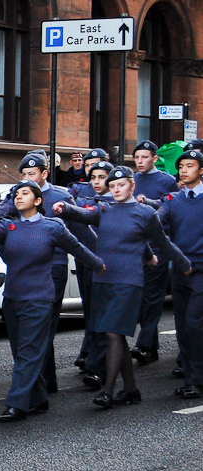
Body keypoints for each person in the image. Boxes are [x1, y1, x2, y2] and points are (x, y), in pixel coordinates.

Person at [54, 166, 191, 408]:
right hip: (104, 279)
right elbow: (84, 215)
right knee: (113, 335)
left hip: (128, 282)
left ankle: (108, 389)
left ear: (132, 186)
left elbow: (162, 242)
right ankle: (130, 389)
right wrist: (64, 208)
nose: (116, 189)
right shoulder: (105, 209)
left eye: (121, 185)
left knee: (113, 333)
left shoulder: (145, 213)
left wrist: (182, 263)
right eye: (113, 186)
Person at [0, 180, 104, 422]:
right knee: (21, 353)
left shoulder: (53, 227)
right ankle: (39, 397)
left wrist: (100, 265)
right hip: (13, 299)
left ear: (38, 201)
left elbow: (78, 248)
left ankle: (17, 404)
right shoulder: (8, 227)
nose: (19, 197)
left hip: (40, 300)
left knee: (29, 352)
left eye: (25, 193)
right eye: (16, 194)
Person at [0, 153, 94, 394]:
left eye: (32, 174)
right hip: (24, 268)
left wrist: (97, 256)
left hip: (55, 266)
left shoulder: (60, 196)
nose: (27, 178)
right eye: (24, 175)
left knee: (45, 326)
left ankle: (43, 381)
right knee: (29, 331)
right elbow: (0, 220)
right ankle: (39, 383)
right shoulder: (17, 195)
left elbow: (80, 232)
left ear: (44, 174)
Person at [157, 150, 203, 398]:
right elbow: (157, 223)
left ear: (201, 170)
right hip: (180, 270)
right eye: (182, 166)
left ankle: (196, 379)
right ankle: (190, 376)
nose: (184, 170)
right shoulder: (173, 200)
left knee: (195, 324)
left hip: (201, 270)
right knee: (183, 325)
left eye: (191, 166)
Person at [132, 141, 180, 365]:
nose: (140, 161)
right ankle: (151, 346)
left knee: (152, 297)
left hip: (158, 247)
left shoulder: (167, 181)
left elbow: (172, 206)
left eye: (144, 157)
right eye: (137, 157)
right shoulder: (132, 179)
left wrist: (150, 203)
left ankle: (143, 346)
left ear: (154, 158)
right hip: (136, 247)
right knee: (140, 299)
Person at [71, 161, 113, 390]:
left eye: (102, 177)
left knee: (104, 317)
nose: (97, 182)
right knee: (92, 313)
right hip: (89, 264)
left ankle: (98, 367)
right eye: (94, 177)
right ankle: (96, 360)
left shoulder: (118, 204)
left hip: (111, 268)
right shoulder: (84, 201)